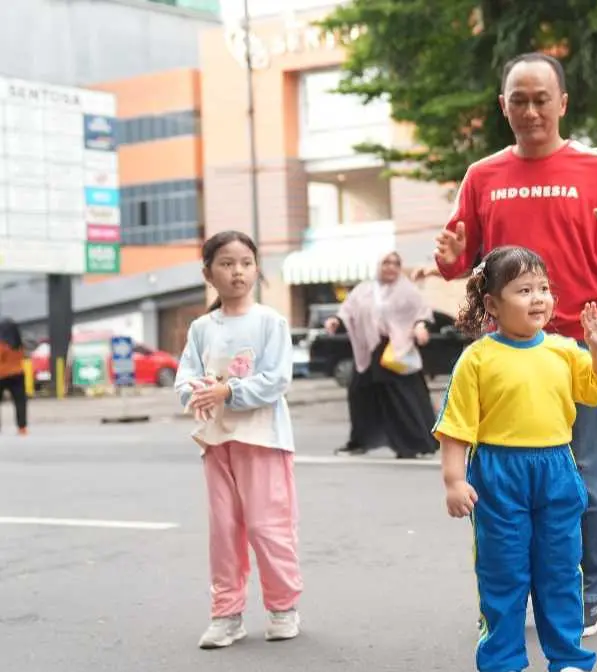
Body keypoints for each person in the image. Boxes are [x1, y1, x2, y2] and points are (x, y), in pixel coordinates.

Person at [426, 52, 597, 636]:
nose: (531, 110)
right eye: (519, 100)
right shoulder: (482, 175)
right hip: (505, 356)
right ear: (503, 106)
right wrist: (448, 260)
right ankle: (515, 592)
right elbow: (462, 256)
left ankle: (587, 596)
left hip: (573, 348)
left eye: (542, 99)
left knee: (581, 475)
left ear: (563, 103)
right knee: (503, 479)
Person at [434, 246, 597, 672]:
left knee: (562, 574)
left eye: (543, 288)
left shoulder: (564, 350)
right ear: (493, 305)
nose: (538, 298)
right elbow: (455, 427)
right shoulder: (477, 359)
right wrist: (454, 481)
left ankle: (569, 671)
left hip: (557, 471)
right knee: (502, 577)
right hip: (498, 475)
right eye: (523, 290)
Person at [175, 230, 302, 650]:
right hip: (217, 442)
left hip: (263, 439)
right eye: (227, 263)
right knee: (224, 530)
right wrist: (197, 392)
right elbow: (185, 377)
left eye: (245, 262)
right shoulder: (200, 328)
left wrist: (229, 391)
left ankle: (283, 608)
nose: (237, 272)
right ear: (208, 272)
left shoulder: (270, 321)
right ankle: (226, 615)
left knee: (269, 527)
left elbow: (277, 379)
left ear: (256, 268)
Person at [325, 251, 439, 460]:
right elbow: (347, 311)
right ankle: (360, 441)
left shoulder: (407, 290)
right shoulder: (364, 290)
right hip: (369, 350)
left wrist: (420, 327)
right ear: (378, 265)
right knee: (360, 394)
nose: (391, 267)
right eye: (386, 262)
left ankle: (414, 443)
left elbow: (422, 313)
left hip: (396, 349)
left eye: (396, 263)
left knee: (403, 397)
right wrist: (335, 321)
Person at [0, 317, 28, 437]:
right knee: (20, 401)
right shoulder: (19, 343)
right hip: (18, 374)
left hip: (1, 375)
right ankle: (22, 427)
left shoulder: (2, 344)